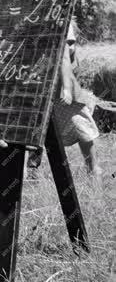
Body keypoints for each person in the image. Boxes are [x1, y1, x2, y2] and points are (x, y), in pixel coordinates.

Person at [51, 20, 101, 176]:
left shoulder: (61, 21)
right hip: (41, 92)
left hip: (63, 93)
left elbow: (65, 58)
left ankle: (95, 188)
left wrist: (66, 88)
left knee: (83, 134)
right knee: (37, 140)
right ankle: (32, 181)